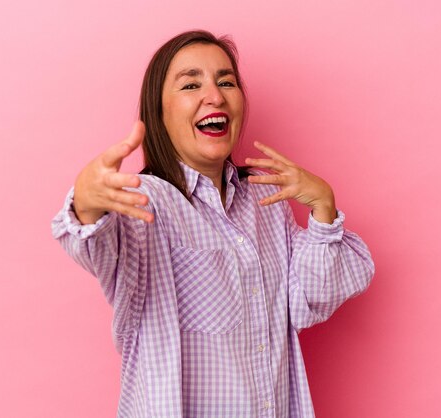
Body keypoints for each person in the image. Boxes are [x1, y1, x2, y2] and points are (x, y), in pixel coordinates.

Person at [51, 30, 375, 417]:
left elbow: (308, 302)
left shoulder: (265, 201)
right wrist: (88, 202)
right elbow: (101, 246)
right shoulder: (146, 201)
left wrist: (323, 207)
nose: (215, 96)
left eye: (227, 82)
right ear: (159, 113)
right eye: (191, 84)